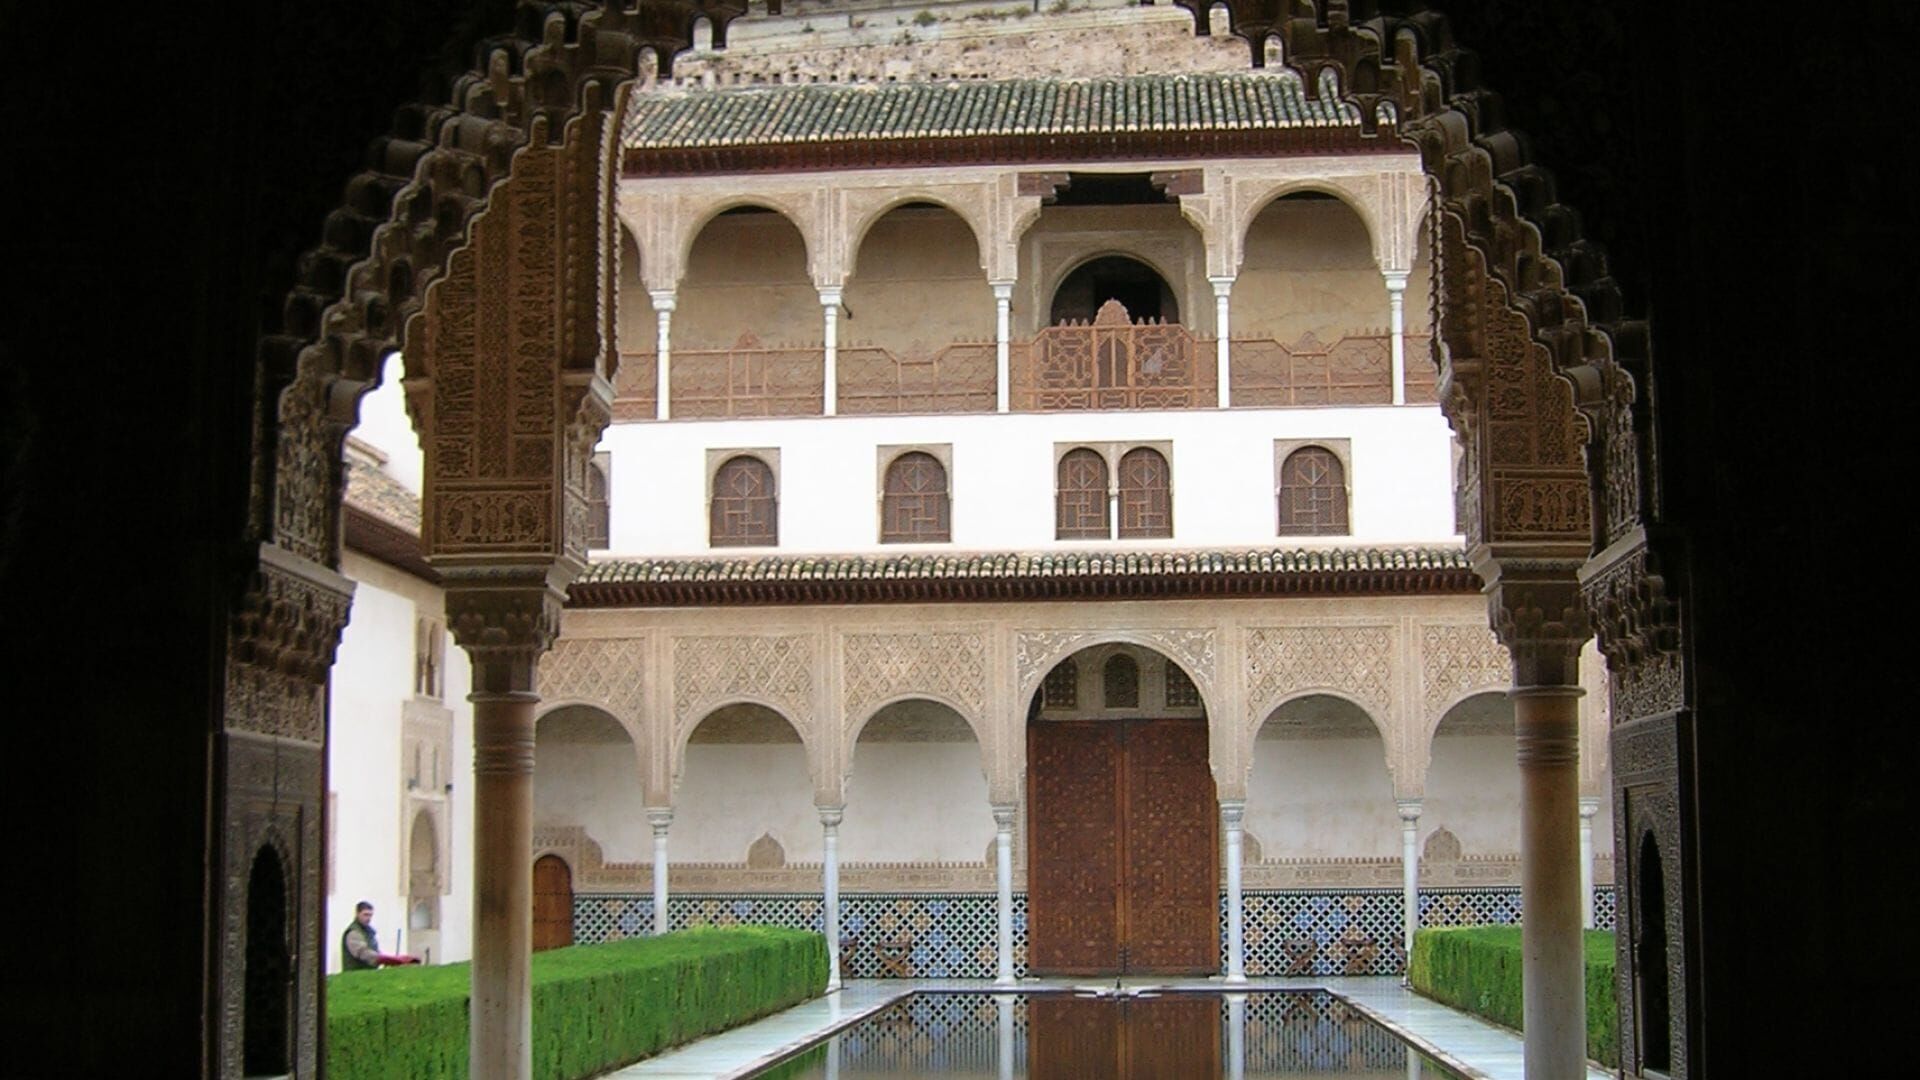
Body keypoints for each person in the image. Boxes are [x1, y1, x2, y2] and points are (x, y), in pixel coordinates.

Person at [340, 901, 419, 970]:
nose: (368, 918)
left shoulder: (369, 932)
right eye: (365, 915)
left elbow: (375, 951)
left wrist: (390, 961)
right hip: (355, 975)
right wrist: (390, 960)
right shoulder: (353, 932)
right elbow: (363, 953)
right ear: (357, 914)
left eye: (370, 915)